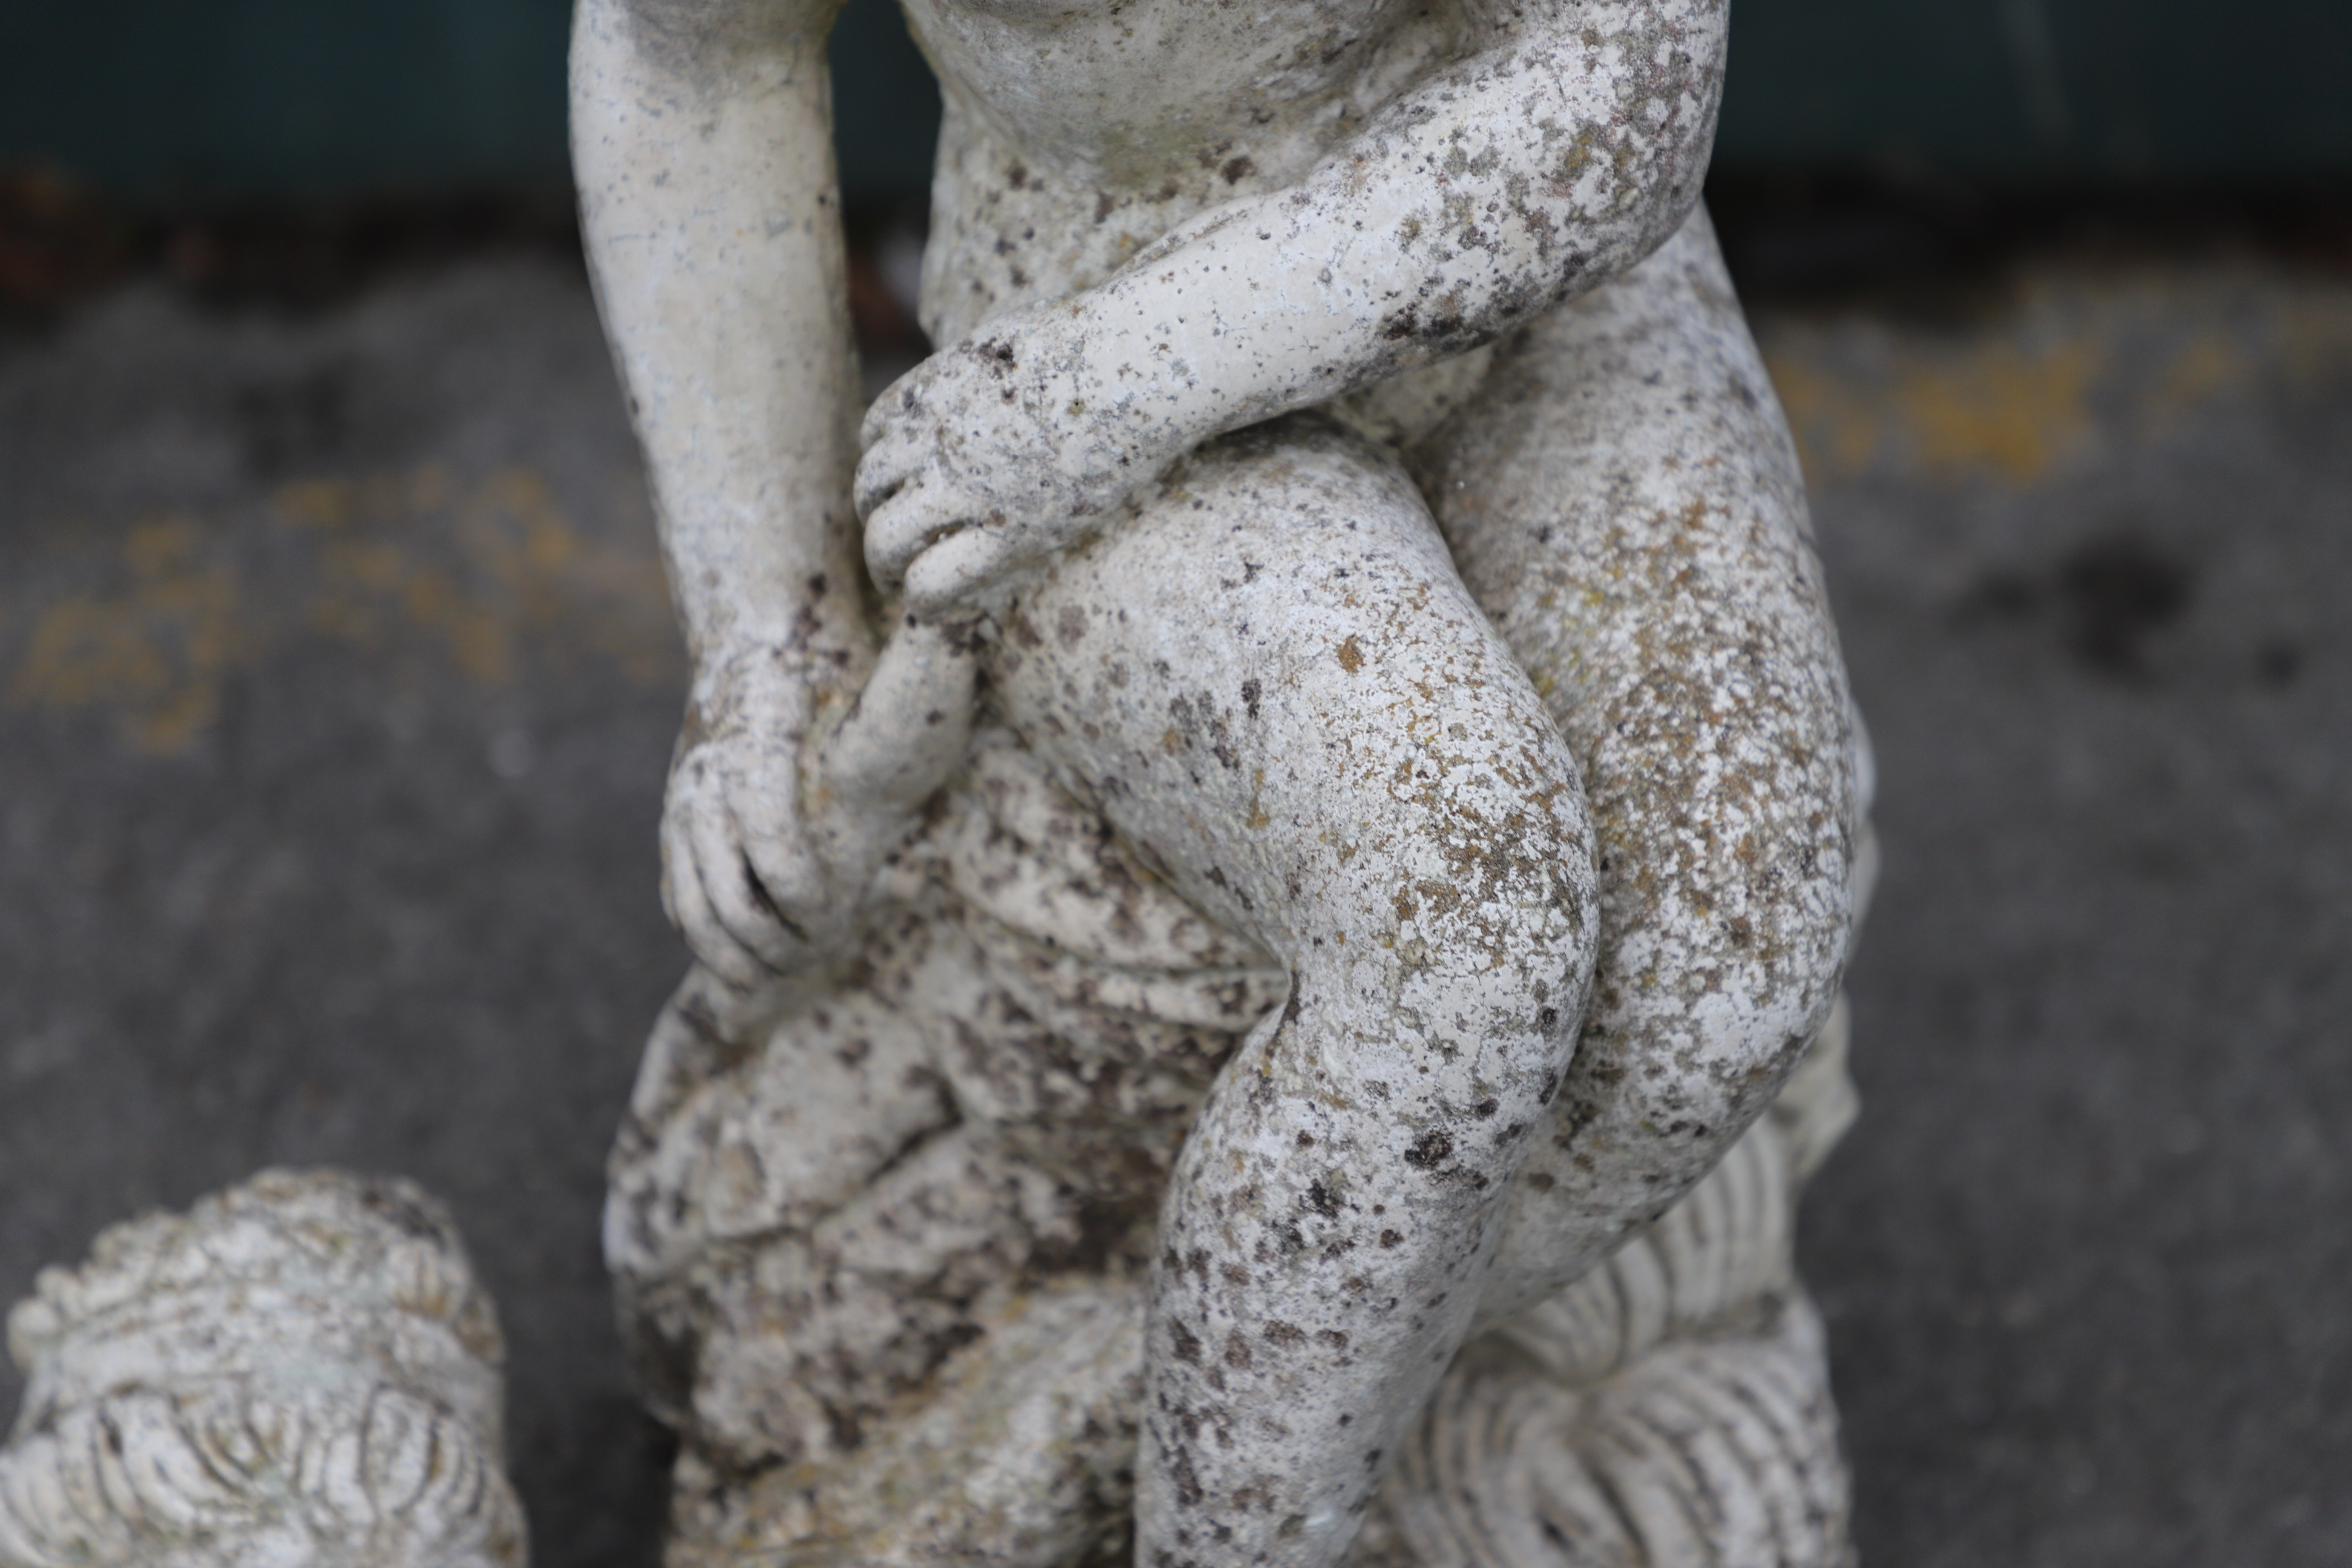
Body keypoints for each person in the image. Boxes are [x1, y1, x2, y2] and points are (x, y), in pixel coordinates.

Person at [573, 0, 1866, 1563]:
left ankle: (1242, 1373)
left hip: (1513, 310)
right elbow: (693, 56)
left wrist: (1116, 384)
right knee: (1462, 927)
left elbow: (1620, 75)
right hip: (1073, 323)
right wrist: (766, 637)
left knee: (1729, 963)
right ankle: (1234, 1504)